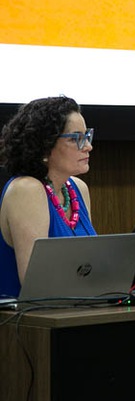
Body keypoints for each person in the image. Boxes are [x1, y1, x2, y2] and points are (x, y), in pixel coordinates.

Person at [0, 96, 96, 298]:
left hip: (75, 310)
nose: (88, 146)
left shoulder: (78, 188)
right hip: (29, 323)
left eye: (87, 135)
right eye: (75, 138)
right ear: (44, 145)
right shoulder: (26, 190)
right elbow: (37, 285)